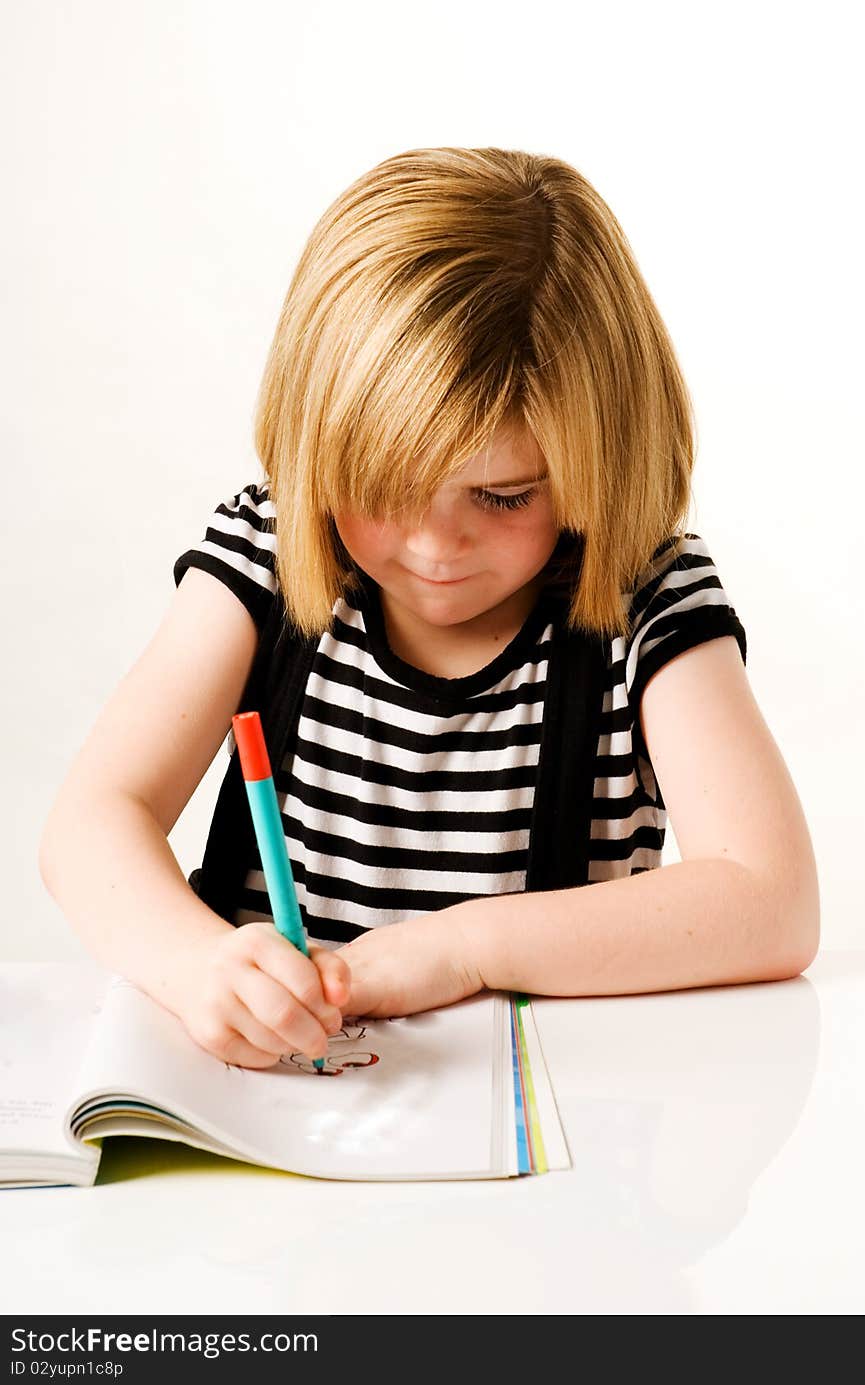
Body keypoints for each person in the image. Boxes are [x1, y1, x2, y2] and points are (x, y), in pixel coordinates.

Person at [38, 146, 820, 1071]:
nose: (436, 547)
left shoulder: (641, 595)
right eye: (384, 488)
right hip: (279, 1126)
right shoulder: (273, 550)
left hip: (554, 1147)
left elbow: (773, 900)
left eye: (503, 497)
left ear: (596, 461)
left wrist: (461, 949)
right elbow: (90, 820)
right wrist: (194, 962)